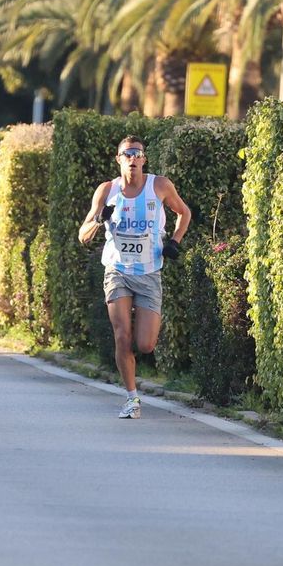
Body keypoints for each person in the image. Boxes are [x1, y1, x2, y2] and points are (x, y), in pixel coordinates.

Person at [77, 135, 191, 419]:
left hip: (149, 271)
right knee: (122, 335)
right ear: (119, 160)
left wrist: (174, 241)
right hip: (117, 271)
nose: (132, 158)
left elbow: (184, 212)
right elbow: (83, 236)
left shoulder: (160, 186)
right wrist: (99, 218)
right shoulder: (106, 190)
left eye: (137, 154)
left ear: (143, 160)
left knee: (145, 344)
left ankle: (135, 376)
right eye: (127, 154)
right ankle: (131, 397)